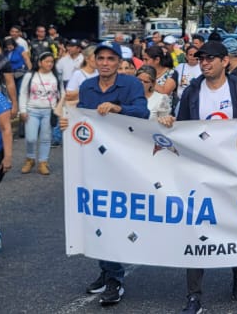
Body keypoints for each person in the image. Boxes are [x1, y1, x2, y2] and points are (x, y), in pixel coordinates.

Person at [171, 40, 237, 314]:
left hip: (234, 170)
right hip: (201, 172)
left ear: (224, 62)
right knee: (196, 229)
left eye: (210, 59)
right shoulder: (193, 91)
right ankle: (193, 295)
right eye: (200, 58)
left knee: (234, 225)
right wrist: (166, 123)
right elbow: (181, 128)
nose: (204, 62)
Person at [65, 43, 150, 306]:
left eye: (110, 59)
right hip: (92, 158)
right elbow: (81, 119)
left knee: (113, 215)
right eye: (100, 58)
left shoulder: (131, 85)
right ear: (94, 60)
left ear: (118, 62)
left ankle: (114, 278)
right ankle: (106, 270)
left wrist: (118, 108)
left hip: (122, 159)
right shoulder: (88, 86)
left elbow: (143, 112)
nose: (104, 63)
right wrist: (68, 122)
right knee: (96, 213)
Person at [18, 52, 60, 175]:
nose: (50, 64)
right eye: (47, 61)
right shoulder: (30, 75)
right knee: (31, 138)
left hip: (49, 111)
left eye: (52, 62)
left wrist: (59, 109)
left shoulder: (56, 76)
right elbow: (23, 93)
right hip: (32, 111)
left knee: (46, 138)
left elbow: (60, 94)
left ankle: (43, 162)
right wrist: (23, 110)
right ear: (39, 62)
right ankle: (30, 159)